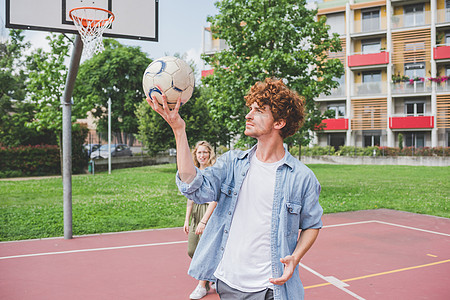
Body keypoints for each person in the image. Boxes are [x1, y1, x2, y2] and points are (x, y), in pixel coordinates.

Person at [147, 78, 323, 300]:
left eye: (258, 111)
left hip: (271, 288)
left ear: (279, 122)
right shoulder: (232, 163)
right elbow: (193, 186)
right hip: (228, 282)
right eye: (250, 109)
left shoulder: (302, 177)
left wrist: (295, 257)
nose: (248, 115)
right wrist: (178, 130)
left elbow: (312, 224)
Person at [183, 141, 218, 299]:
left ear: (210, 154)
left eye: (205, 152)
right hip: (196, 212)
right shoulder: (194, 172)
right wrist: (187, 219)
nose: (202, 155)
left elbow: (215, 199)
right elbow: (190, 197)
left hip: (209, 212)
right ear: (195, 155)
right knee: (192, 250)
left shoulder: (214, 172)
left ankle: (202, 285)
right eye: (199, 153)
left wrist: (204, 221)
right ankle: (214, 275)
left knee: (205, 250)